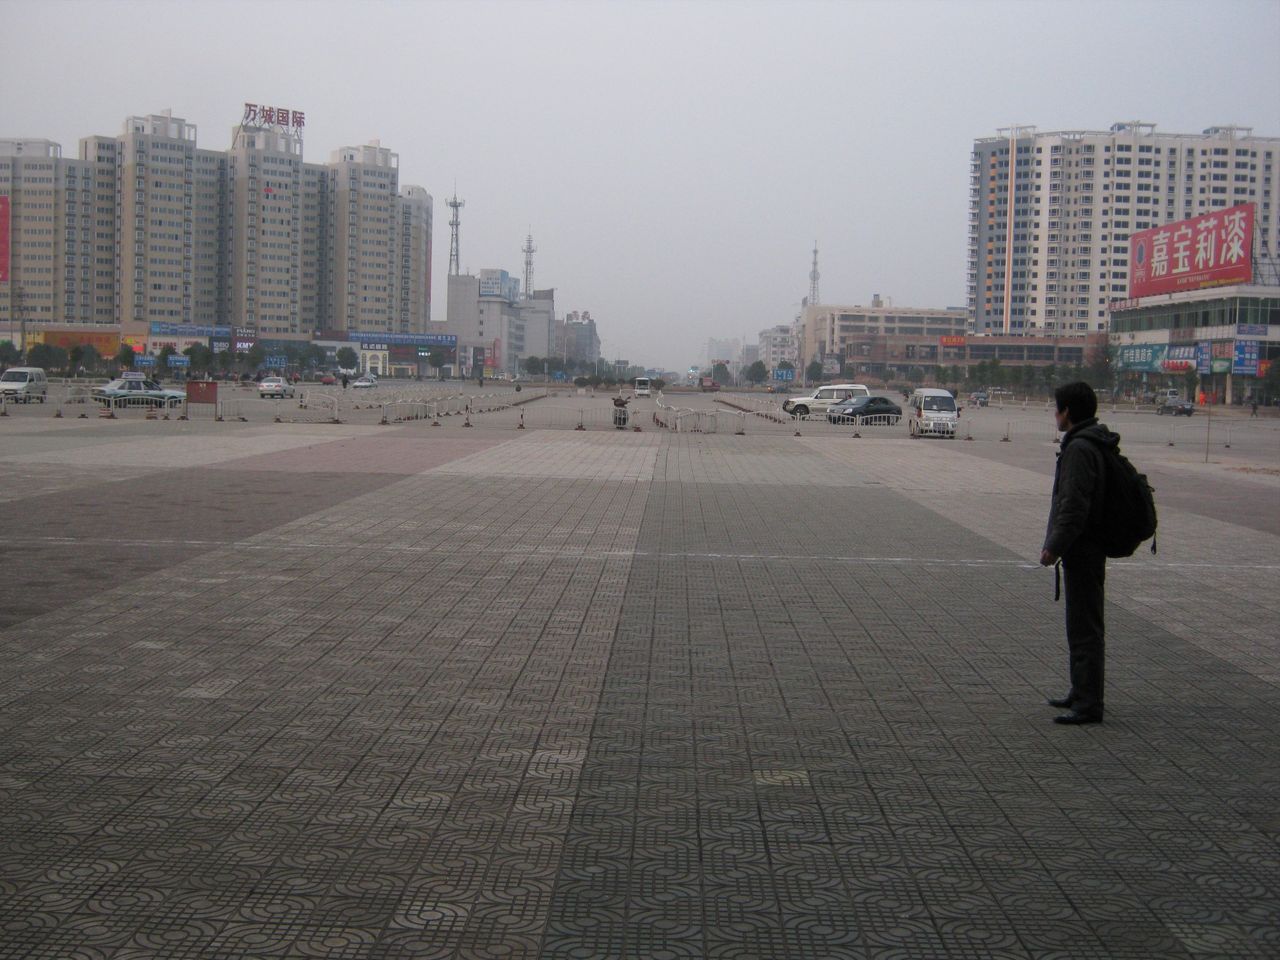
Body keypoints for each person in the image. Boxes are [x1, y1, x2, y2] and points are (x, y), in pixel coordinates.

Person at [1039, 381, 1116, 726]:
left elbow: (1073, 505)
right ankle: (1080, 689)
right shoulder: (1088, 442)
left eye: (1057, 408)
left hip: (1084, 547)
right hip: (1086, 546)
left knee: (1085, 626)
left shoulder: (1080, 449)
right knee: (1080, 623)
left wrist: (1053, 546)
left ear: (1067, 411)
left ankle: (1088, 703)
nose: (1055, 414)